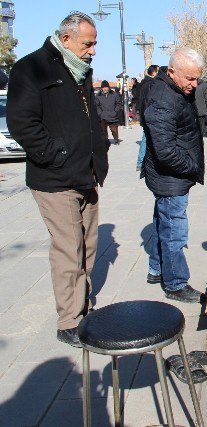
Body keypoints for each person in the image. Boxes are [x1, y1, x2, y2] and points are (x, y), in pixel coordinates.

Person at [7, 11, 109, 347]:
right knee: (68, 248)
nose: (93, 50)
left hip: (87, 173)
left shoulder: (80, 70)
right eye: (88, 43)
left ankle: (82, 305)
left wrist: (99, 150)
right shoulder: (31, 68)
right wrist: (57, 155)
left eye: (94, 43)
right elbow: (23, 123)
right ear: (66, 39)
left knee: (88, 247)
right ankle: (69, 321)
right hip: (55, 178)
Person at [141, 47, 205, 303]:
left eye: (197, 78)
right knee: (173, 230)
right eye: (189, 78)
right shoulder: (163, 100)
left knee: (162, 222)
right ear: (171, 72)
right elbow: (165, 151)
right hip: (171, 177)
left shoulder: (174, 90)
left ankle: (157, 270)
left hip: (171, 176)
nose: (195, 84)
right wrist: (192, 166)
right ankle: (176, 283)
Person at [136, 64, 159, 171]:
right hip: (149, 115)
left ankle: (141, 162)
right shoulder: (151, 84)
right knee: (147, 139)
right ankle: (142, 162)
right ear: (153, 72)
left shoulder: (143, 83)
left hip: (144, 114)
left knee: (146, 138)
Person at [95, 80, 122, 144]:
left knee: (114, 130)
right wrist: (100, 113)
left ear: (108, 88)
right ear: (101, 88)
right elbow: (96, 105)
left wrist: (115, 111)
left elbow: (118, 103)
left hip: (113, 115)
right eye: (103, 87)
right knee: (104, 131)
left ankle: (116, 140)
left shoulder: (114, 94)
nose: (105, 89)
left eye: (106, 87)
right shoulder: (98, 96)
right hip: (103, 116)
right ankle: (105, 142)